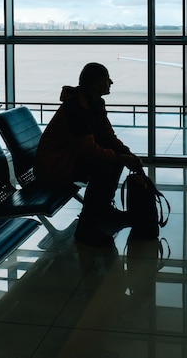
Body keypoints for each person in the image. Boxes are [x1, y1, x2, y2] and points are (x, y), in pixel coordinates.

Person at [34, 62, 143, 247]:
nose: (111, 82)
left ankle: (104, 210)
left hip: (66, 159)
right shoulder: (75, 109)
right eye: (106, 78)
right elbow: (88, 150)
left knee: (113, 161)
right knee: (104, 166)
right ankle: (86, 226)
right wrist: (121, 157)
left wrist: (126, 154)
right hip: (54, 166)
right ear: (95, 84)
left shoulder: (92, 104)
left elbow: (108, 137)